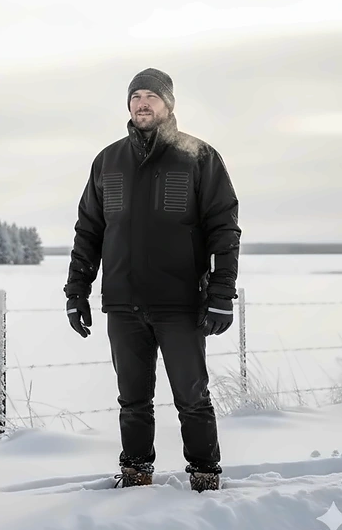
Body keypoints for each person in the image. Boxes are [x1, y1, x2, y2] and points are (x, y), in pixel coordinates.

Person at [63, 67, 241, 492]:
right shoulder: (108, 161)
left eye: (151, 96)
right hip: (123, 303)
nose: (142, 103)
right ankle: (135, 472)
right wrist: (77, 290)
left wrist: (220, 291)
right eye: (136, 96)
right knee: (132, 401)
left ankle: (204, 474)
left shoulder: (199, 156)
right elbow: (89, 230)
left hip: (179, 302)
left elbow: (224, 228)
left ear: (169, 104)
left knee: (192, 399)